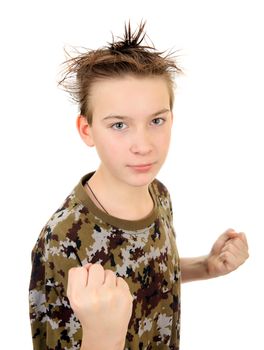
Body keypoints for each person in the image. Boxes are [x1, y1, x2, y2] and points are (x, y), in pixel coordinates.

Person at [29, 21, 249, 350]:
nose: (143, 145)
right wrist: (104, 336)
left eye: (156, 121)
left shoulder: (158, 193)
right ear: (87, 130)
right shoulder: (63, 238)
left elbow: (143, 272)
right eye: (119, 125)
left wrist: (205, 266)